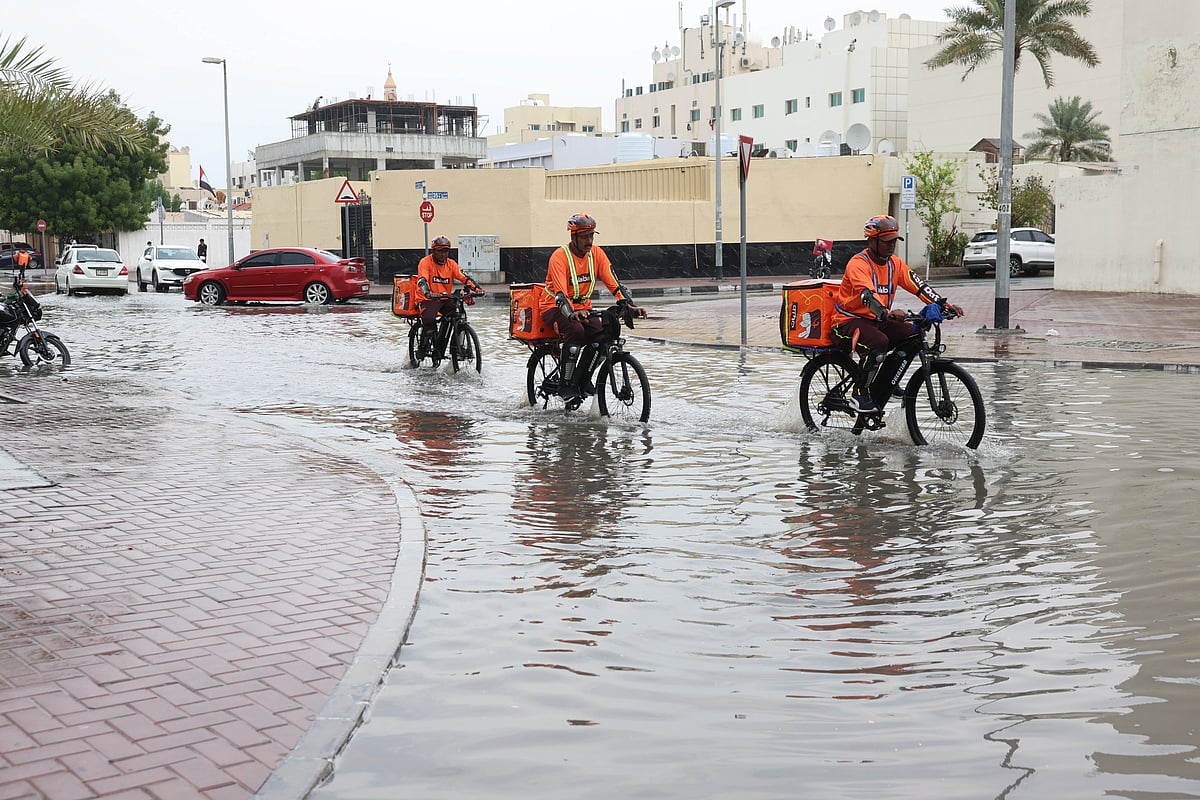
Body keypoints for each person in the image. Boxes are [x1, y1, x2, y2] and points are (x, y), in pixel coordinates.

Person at [831, 214, 964, 414]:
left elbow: (919, 287)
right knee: (878, 343)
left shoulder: (895, 264)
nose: (891, 245)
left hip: (877, 320)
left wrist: (943, 305)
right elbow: (868, 296)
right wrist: (886, 313)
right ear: (871, 241)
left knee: (912, 333)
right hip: (847, 323)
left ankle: (887, 381)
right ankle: (859, 393)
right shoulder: (858, 264)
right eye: (886, 241)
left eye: (894, 240)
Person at [542, 212, 646, 396]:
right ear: (573, 236)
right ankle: (566, 384)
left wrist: (629, 306)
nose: (589, 241)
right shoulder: (559, 257)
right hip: (554, 307)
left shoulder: (596, 254)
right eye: (584, 237)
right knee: (577, 331)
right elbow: (559, 295)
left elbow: (614, 285)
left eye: (591, 235)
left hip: (583, 309)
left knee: (604, 333)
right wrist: (571, 314)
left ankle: (582, 377)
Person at [415, 236, 482, 359]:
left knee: (458, 314)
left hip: (444, 298)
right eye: (440, 251)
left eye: (446, 251)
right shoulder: (425, 262)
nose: (443, 254)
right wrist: (427, 293)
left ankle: (458, 346)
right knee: (429, 319)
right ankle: (423, 346)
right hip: (428, 299)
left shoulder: (451, 264)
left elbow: (464, 277)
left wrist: (477, 288)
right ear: (433, 251)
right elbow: (422, 279)